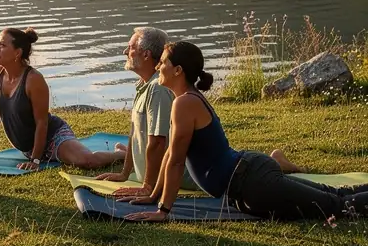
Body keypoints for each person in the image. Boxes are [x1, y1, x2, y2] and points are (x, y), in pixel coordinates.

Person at [125, 41, 368, 222]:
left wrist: (163, 211)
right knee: (334, 195)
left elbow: (177, 162)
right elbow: (170, 156)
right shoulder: (183, 100)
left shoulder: (185, 103)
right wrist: (153, 196)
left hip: (253, 182)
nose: (158, 66)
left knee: (337, 207)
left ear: (178, 70)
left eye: (163, 62)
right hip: (250, 175)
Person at [0, 28, 123, 171]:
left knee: (87, 161)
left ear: (17, 53)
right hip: (28, 148)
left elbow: (42, 122)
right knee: (83, 161)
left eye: (2, 45)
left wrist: (36, 160)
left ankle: (122, 154)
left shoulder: (34, 79)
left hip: (53, 137)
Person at [94, 27, 196, 195]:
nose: (125, 51)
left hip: (178, 180)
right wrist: (124, 174)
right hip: (151, 178)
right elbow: (135, 134)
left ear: (146, 54)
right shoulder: (144, 85)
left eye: (131, 47)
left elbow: (157, 142)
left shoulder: (158, 89)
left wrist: (147, 187)